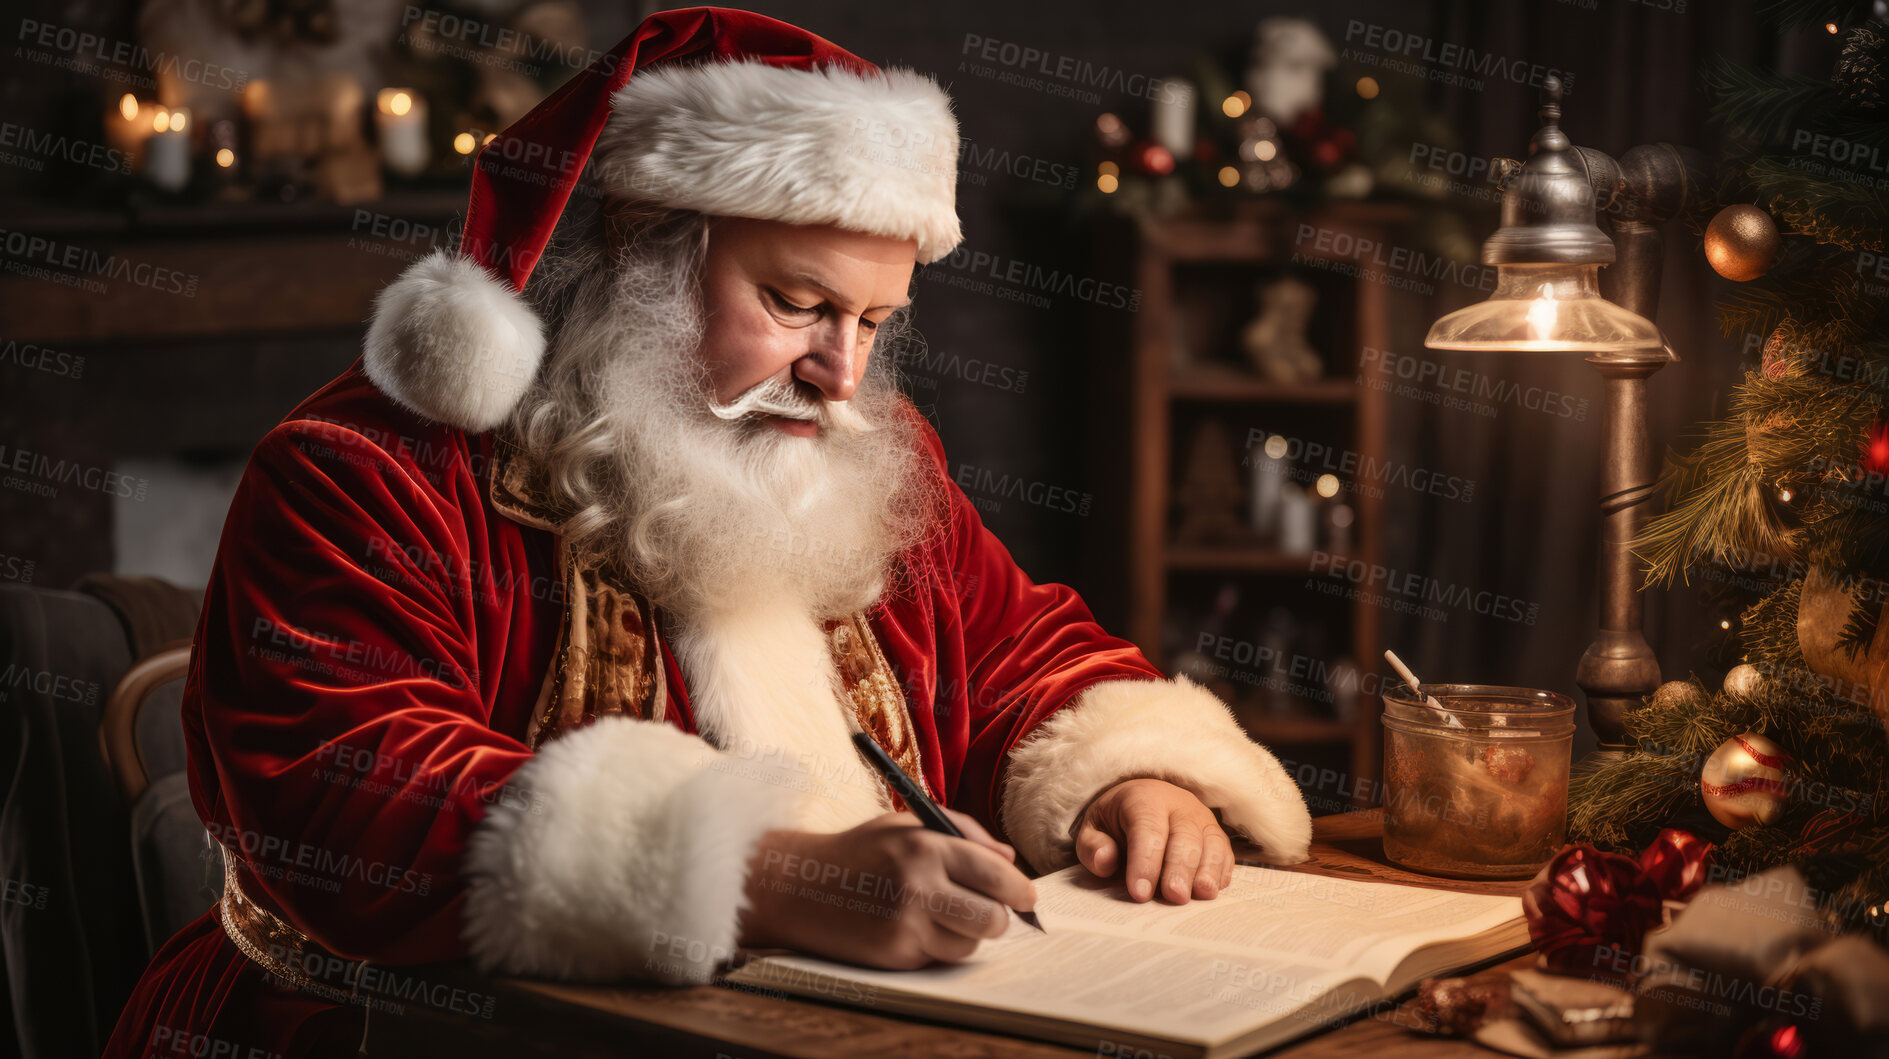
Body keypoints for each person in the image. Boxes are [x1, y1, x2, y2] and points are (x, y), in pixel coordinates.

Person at [105, 8, 1311, 1056]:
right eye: (795, 303)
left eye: (875, 322)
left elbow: (1016, 656)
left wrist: (1135, 777)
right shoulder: (366, 474)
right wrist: (765, 874)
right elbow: (345, 794)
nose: (841, 376)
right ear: (642, 254)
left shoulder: (862, 462)